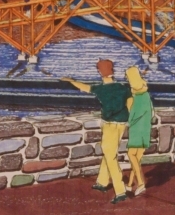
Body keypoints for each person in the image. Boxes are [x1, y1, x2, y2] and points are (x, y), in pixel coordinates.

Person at [64, 58, 133, 202]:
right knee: (109, 152)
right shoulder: (123, 88)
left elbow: (84, 87)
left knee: (110, 156)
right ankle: (102, 182)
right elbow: (130, 105)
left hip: (109, 125)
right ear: (112, 71)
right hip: (122, 123)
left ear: (100, 72)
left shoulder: (100, 89)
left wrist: (71, 80)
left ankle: (120, 191)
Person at [124, 66, 154, 196]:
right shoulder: (146, 94)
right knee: (137, 158)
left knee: (131, 155)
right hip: (145, 128)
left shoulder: (132, 97)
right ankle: (130, 184)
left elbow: (131, 115)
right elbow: (151, 112)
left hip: (136, 129)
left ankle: (141, 184)